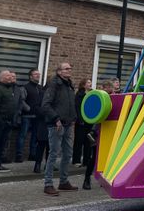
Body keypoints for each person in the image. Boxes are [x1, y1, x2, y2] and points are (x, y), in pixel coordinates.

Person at [41, 62, 78, 196]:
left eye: (70, 68)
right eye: (66, 68)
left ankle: (63, 181)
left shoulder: (69, 85)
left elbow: (70, 104)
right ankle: (48, 184)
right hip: (57, 124)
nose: (69, 70)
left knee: (68, 154)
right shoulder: (54, 85)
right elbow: (45, 105)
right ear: (59, 72)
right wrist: (56, 119)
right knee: (53, 154)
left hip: (68, 124)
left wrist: (73, 118)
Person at [20, 69, 43, 164]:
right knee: (23, 135)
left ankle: (32, 154)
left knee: (35, 136)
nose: (38, 76)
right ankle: (19, 155)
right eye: (35, 74)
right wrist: (28, 109)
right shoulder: (25, 87)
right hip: (27, 116)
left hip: (37, 116)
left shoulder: (40, 88)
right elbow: (21, 100)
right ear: (30, 76)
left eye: (39, 74)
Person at [72, 79, 92, 166]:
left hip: (89, 121)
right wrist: (80, 119)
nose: (90, 84)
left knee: (88, 141)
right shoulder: (79, 94)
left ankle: (86, 161)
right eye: (88, 82)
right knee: (79, 141)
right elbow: (77, 107)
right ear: (83, 85)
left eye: (90, 82)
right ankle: (76, 160)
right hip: (81, 122)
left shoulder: (92, 94)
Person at [11, 72, 29, 162]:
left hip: (16, 116)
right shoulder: (6, 88)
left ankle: (7, 157)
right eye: (12, 76)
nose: (14, 78)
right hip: (6, 117)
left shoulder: (18, 89)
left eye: (15, 77)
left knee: (10, 137)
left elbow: (21, 101)